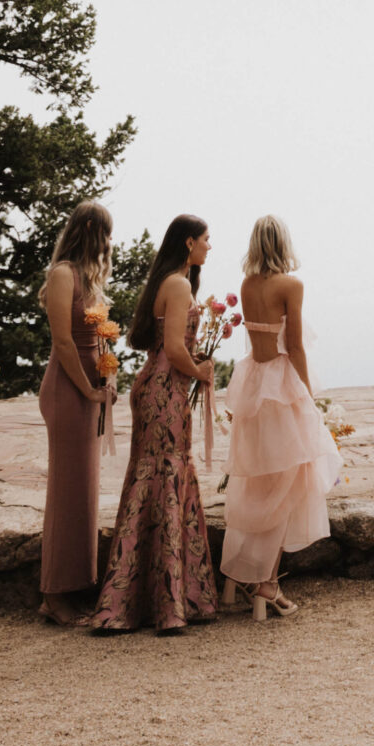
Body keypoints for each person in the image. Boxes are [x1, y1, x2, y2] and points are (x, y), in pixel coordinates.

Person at [87, 214, 218, 635]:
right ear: (187, 243)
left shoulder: (172, 283)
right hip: (165, 389)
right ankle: (163, 603)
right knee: (163, 477)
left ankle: (147, 599)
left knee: (158, 479)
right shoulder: (178, 285)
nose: (209, 247)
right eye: (205, 240)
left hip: (160, 388)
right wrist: (202, 371)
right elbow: (177, 349)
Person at [219, 215, 341, 619]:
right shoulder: (292, 285)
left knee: (256, 482)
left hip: (253, 382)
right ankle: (267, 583)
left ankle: (236, 577)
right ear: (283, 242)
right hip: (281, 386)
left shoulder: (247, 284)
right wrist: (307, 394)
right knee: (286, 485)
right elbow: (295, 346)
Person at [36, 200, 116, 625]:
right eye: (106, 233)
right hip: (68, 392)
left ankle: (75, 585)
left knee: (84, 493)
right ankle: (53, 594)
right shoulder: (63, 274)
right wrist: (87, 389)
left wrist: (108, 378)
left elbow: (97, 339)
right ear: (89, 229)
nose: (109, 242)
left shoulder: (87, 277)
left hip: (88, 391)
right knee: (66, 493)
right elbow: (63, 341)